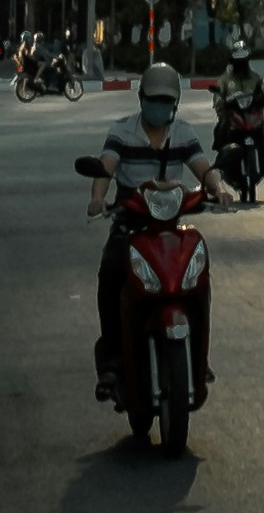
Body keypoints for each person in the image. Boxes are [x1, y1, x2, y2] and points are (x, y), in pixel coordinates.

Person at [88, 62, 214, 418]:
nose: (160, 106)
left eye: (167, 101)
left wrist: (219, 188)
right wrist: (98, 197)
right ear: (141, 98)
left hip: (169, 228)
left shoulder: (183, 133)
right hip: (130, 224)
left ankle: (199, 356)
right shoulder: (122, 132)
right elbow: (106, 165)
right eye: (154, 99)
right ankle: (111, 361)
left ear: (175, 103)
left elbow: (203, 167)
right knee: (110, 272)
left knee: (199, 272)